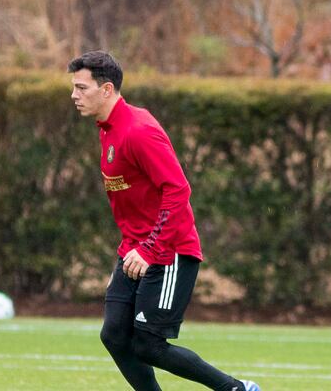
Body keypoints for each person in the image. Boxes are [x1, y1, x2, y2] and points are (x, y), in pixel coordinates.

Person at [68, 51, 260, 391]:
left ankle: (237, 389)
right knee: (114, 335)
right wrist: (136, 248)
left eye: (82, 88)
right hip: (134, 250)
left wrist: (149, 248)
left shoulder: (138, 130)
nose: (74, 95)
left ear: (107, 89)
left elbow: (178, 190)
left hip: (168, 251)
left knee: (149, 345)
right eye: (74, 87)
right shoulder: (108, 129)